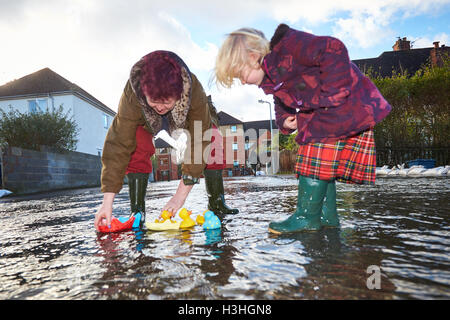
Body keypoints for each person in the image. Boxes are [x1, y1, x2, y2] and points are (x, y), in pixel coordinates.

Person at [214, 24, 391, 234]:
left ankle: (306, 217)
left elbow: (333, 48)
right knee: (324, 166)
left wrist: (331, 94)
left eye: (240, 74)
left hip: (347, 105)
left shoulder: (288, 47)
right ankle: (327, 216)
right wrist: (283, 120)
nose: (242, 82)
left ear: (253, 57)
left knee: (313, 158)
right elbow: (281, 102)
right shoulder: (272, 79)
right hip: (334, 112)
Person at [94, 50, 238, 232]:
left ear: (178, 94)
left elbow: (201, 139)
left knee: (213, 138)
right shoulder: (132, 93)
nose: (161, 108)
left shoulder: (194, 90)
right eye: (155, 101)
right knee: (136, 142)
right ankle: (137, 211)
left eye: (166, 102)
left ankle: (217, 203)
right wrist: (107, 203)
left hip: (185, 119)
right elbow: (118, 142)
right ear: (144, 92)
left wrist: (179, 196)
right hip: (146, 121)